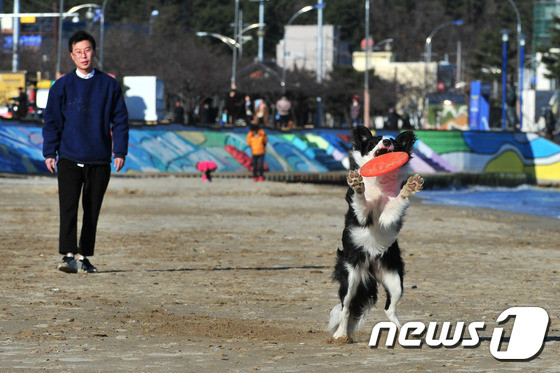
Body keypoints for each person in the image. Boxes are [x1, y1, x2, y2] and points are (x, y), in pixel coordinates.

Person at [42, 30, 129, 274]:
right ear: (72, 56)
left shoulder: (109, 85)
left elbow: (120, 120)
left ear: (94, 51)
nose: (84, 56)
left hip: (99, 159)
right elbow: (52, 121)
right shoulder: (61, 86)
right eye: (78, 52)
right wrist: (50, 152)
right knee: (68, 206)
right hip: (69, 157)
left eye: (87, 50)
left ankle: (83, 256)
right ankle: (68, 255)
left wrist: (119, 150)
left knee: (92, 209)